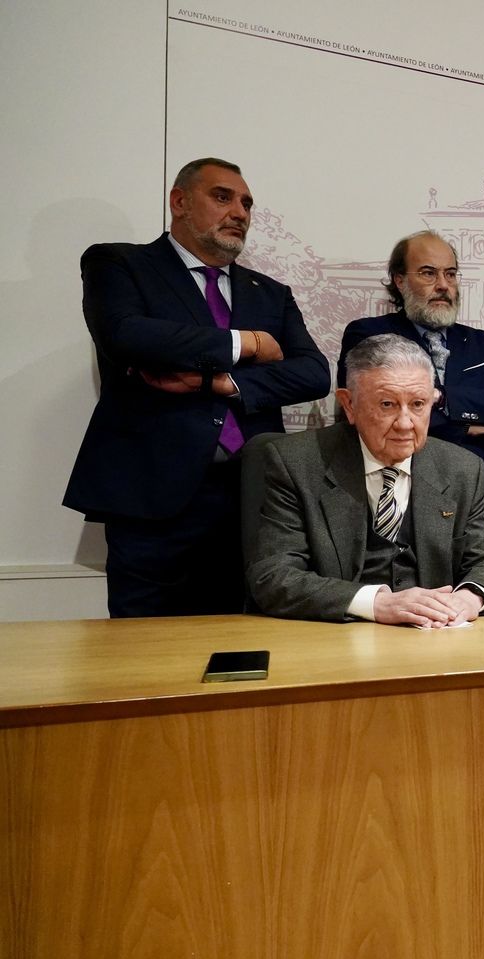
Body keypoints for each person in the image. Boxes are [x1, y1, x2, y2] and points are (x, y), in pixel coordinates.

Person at [63, 157, 330, 617]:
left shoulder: (269, 292)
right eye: (222, 197)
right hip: (152, 496)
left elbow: (314, 373)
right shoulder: (120, 263)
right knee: (143, 654)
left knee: (236, 648)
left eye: (246, 203)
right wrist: (247, 343)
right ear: (180, 201)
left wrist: (222, 381)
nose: (240, 212)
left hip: (250, 497)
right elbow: (127, 335)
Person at [246, 335, 484, 624]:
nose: (404, 423)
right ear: (349, 405)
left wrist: (467, 598)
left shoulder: (462, 468)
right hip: (336, 641)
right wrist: (376, 603)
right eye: (387, 404)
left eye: (418, 404)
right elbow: (274, 576)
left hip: (434, 640)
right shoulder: (296, 463)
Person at [338, 232, 484, 551]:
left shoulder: (483, 343)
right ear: (399, 280)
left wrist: (446, 400)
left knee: (482, 592)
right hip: (399, 497)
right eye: (428, 273)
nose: (443, 284)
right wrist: (469, 424)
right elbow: (376, 414)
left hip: (477, 502)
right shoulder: (370, 334)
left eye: (450, 274)